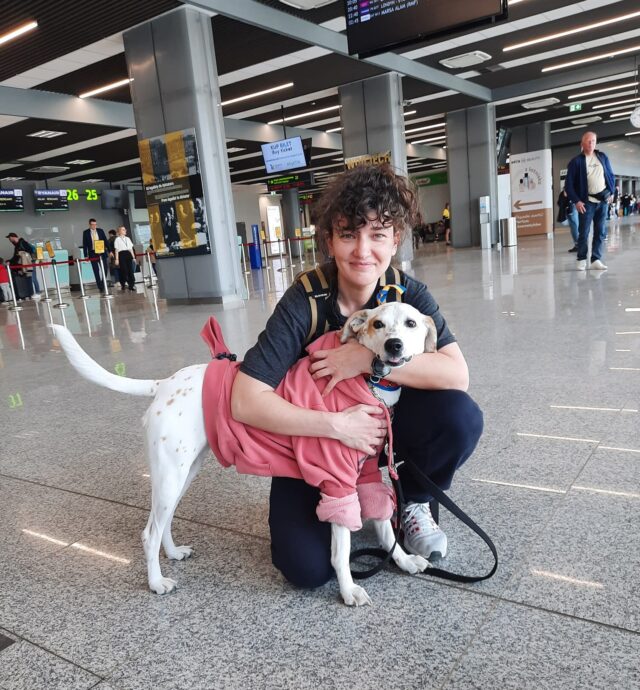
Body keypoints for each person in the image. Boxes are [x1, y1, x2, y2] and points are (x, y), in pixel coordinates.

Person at [230, 164, 483, 589]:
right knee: (306, 570)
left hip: (390, 427)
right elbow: (244, 398)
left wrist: (368, 359)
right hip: (313, 442)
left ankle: (413, 502)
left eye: (377, 235)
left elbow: (456, 373)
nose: (362, 250)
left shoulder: (409, 295)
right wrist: (335, 426)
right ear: (329, 239)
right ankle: (339, 493)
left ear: (395, 240)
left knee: (460, 415)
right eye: (348, 234)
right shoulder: (305, 300)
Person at [564, 131, 615, 271]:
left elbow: (610, 175)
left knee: (600, 231)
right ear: (582, 143)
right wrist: (577, 201)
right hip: (586, 203)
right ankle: (581, 259)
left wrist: (611, 192)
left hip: (603, 202)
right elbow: (568, 185)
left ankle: (595, 259)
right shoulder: (576, 162)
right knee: (584, 232)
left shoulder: (602, 157)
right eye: (588, 141)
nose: (591, 143)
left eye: (593, 141)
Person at [6, 232, 40, 297]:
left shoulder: (22, 243)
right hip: (25, 263)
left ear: (13, 237)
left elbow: (30, 251)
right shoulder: (17, 246)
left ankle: (37, 292)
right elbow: (15, 257)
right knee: (29, 277)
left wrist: (23, 253)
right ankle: (32, 293)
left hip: (30, 262)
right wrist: (10, 261)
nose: (10, 240)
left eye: (10, 239)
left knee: (33, 277)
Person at [82, 219, 109, 291]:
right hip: (92, 253)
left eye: (95, 224)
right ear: (89, 225)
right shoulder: (86, 232)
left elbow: (105, 240)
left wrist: (110, 250)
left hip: (101, 252)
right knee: (96, 270)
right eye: (93, 224)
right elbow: (85, 245)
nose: (94, 226)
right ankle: (100, 286)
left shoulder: (100, 231)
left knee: (105, 269)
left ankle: (103, 283)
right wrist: (85, 255)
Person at [113, 226, 136, 291]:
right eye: (123, 230)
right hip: (121, 255)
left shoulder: (128, 238)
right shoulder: (117, 239)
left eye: (125, 229)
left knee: (130, 270)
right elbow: (116, 250)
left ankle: (131, 285)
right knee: (124, 270)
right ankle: (123, 283)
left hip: (128, 254)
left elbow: (131, 249)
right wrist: (116, 259)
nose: (125, 230)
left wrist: (133, 257)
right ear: (120, 231)